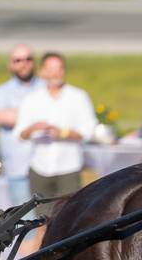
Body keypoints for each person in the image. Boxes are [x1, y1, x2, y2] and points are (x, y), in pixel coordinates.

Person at [14, 52, 97, 208]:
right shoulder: (32, 99)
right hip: (40, 168)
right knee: (41, 218)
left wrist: (63, 133)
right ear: (42, 72)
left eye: (59, 69)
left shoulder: (78, 97)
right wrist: (34, 128)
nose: (55, 74)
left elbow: (89, 131)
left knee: (67, 215)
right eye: (50, 69)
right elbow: (19, 134)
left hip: (68, 168)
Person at [0, 44, 42, 206]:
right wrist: (38, 115)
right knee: (25, 216)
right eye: (18, 60)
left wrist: (17, 113)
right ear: (10, 64)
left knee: (51, 215)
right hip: (18, 166)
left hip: (46, 165)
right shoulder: (1, 91)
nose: (23, 64)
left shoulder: (45, 86)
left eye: (28, 59)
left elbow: (55, 116)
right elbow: (2, 117)